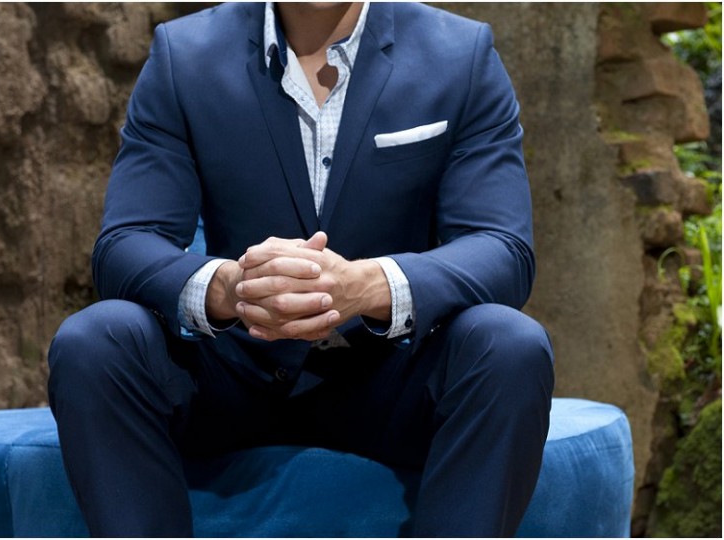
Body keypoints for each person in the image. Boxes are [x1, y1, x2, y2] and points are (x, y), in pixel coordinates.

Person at [47, 2, 555, 537]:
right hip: (231, 373)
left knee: (510, 344)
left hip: (391, 375)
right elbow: (125, 242)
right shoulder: (184, 55)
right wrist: (230, 288)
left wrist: (369, 285)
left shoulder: (460, 54)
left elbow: (502, 246)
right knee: (94, 340)